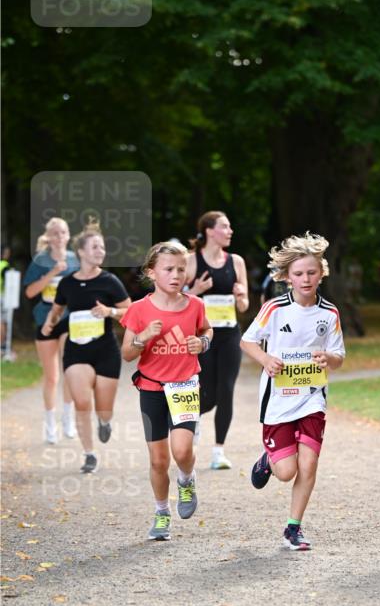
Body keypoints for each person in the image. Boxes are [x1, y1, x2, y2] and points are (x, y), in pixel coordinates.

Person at [240, 233, 345, 551]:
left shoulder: (329, 313)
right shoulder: (274, 308)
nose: (306, 279)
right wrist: (265, 359)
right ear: (287, 277)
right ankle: (268, 460)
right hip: (278, 401)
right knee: (286, 472)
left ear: (321, 273)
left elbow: (339, 357)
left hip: (312, 397)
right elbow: (247, 341)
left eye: (312, 272)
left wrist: (329, 359)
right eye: (299, 273)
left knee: (308, 464)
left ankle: (293, 528)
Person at [121, 241, 212, 541]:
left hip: (185, 385)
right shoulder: (138, 309)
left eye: (181, 269)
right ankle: (162, 513)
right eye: (169, 269)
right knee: (159, 461)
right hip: (151, 389)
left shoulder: (195, 305)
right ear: (152, 272)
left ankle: (186, 479)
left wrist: (203, 343)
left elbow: (207, 330)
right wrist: (144, 336)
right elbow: (127, 354)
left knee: (182, 451)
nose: (176, 275)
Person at [41, 221, 131, 473]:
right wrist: (49, 322)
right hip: (76, 351)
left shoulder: (110, 281)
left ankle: (104, 421)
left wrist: (110, 311)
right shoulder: (67, 283)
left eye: (102, 247)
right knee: (81, 402)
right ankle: (89, 454)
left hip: (105, 351)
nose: (100, 251)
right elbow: (57, 309)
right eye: (95, 247)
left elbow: (131, 311)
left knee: (104, 408)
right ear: (81, 251)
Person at [185, 211, 249, 470]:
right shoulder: (191, 261)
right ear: (210, 231)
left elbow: (243, 306)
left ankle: (218, 452)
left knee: (226, 390)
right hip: (203, 336)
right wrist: (196, 290)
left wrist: (241, 296)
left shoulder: (236, 262)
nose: (230, 231)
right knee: (208, 394)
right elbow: (177, 301)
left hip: (230, 335)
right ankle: (190, 421)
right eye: (225, 226)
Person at [23, 217, 79, 443]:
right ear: (48, 237)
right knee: (51, 377)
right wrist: (53, 272)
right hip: (45, 319)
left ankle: (68, 419)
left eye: (63, 232)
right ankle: (49, 425)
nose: (59, 237)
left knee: (70, 371)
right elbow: (30, 292)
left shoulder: (75, 259)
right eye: (55, 233)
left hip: (68, 319)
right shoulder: (40, 260)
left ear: (68, 235)